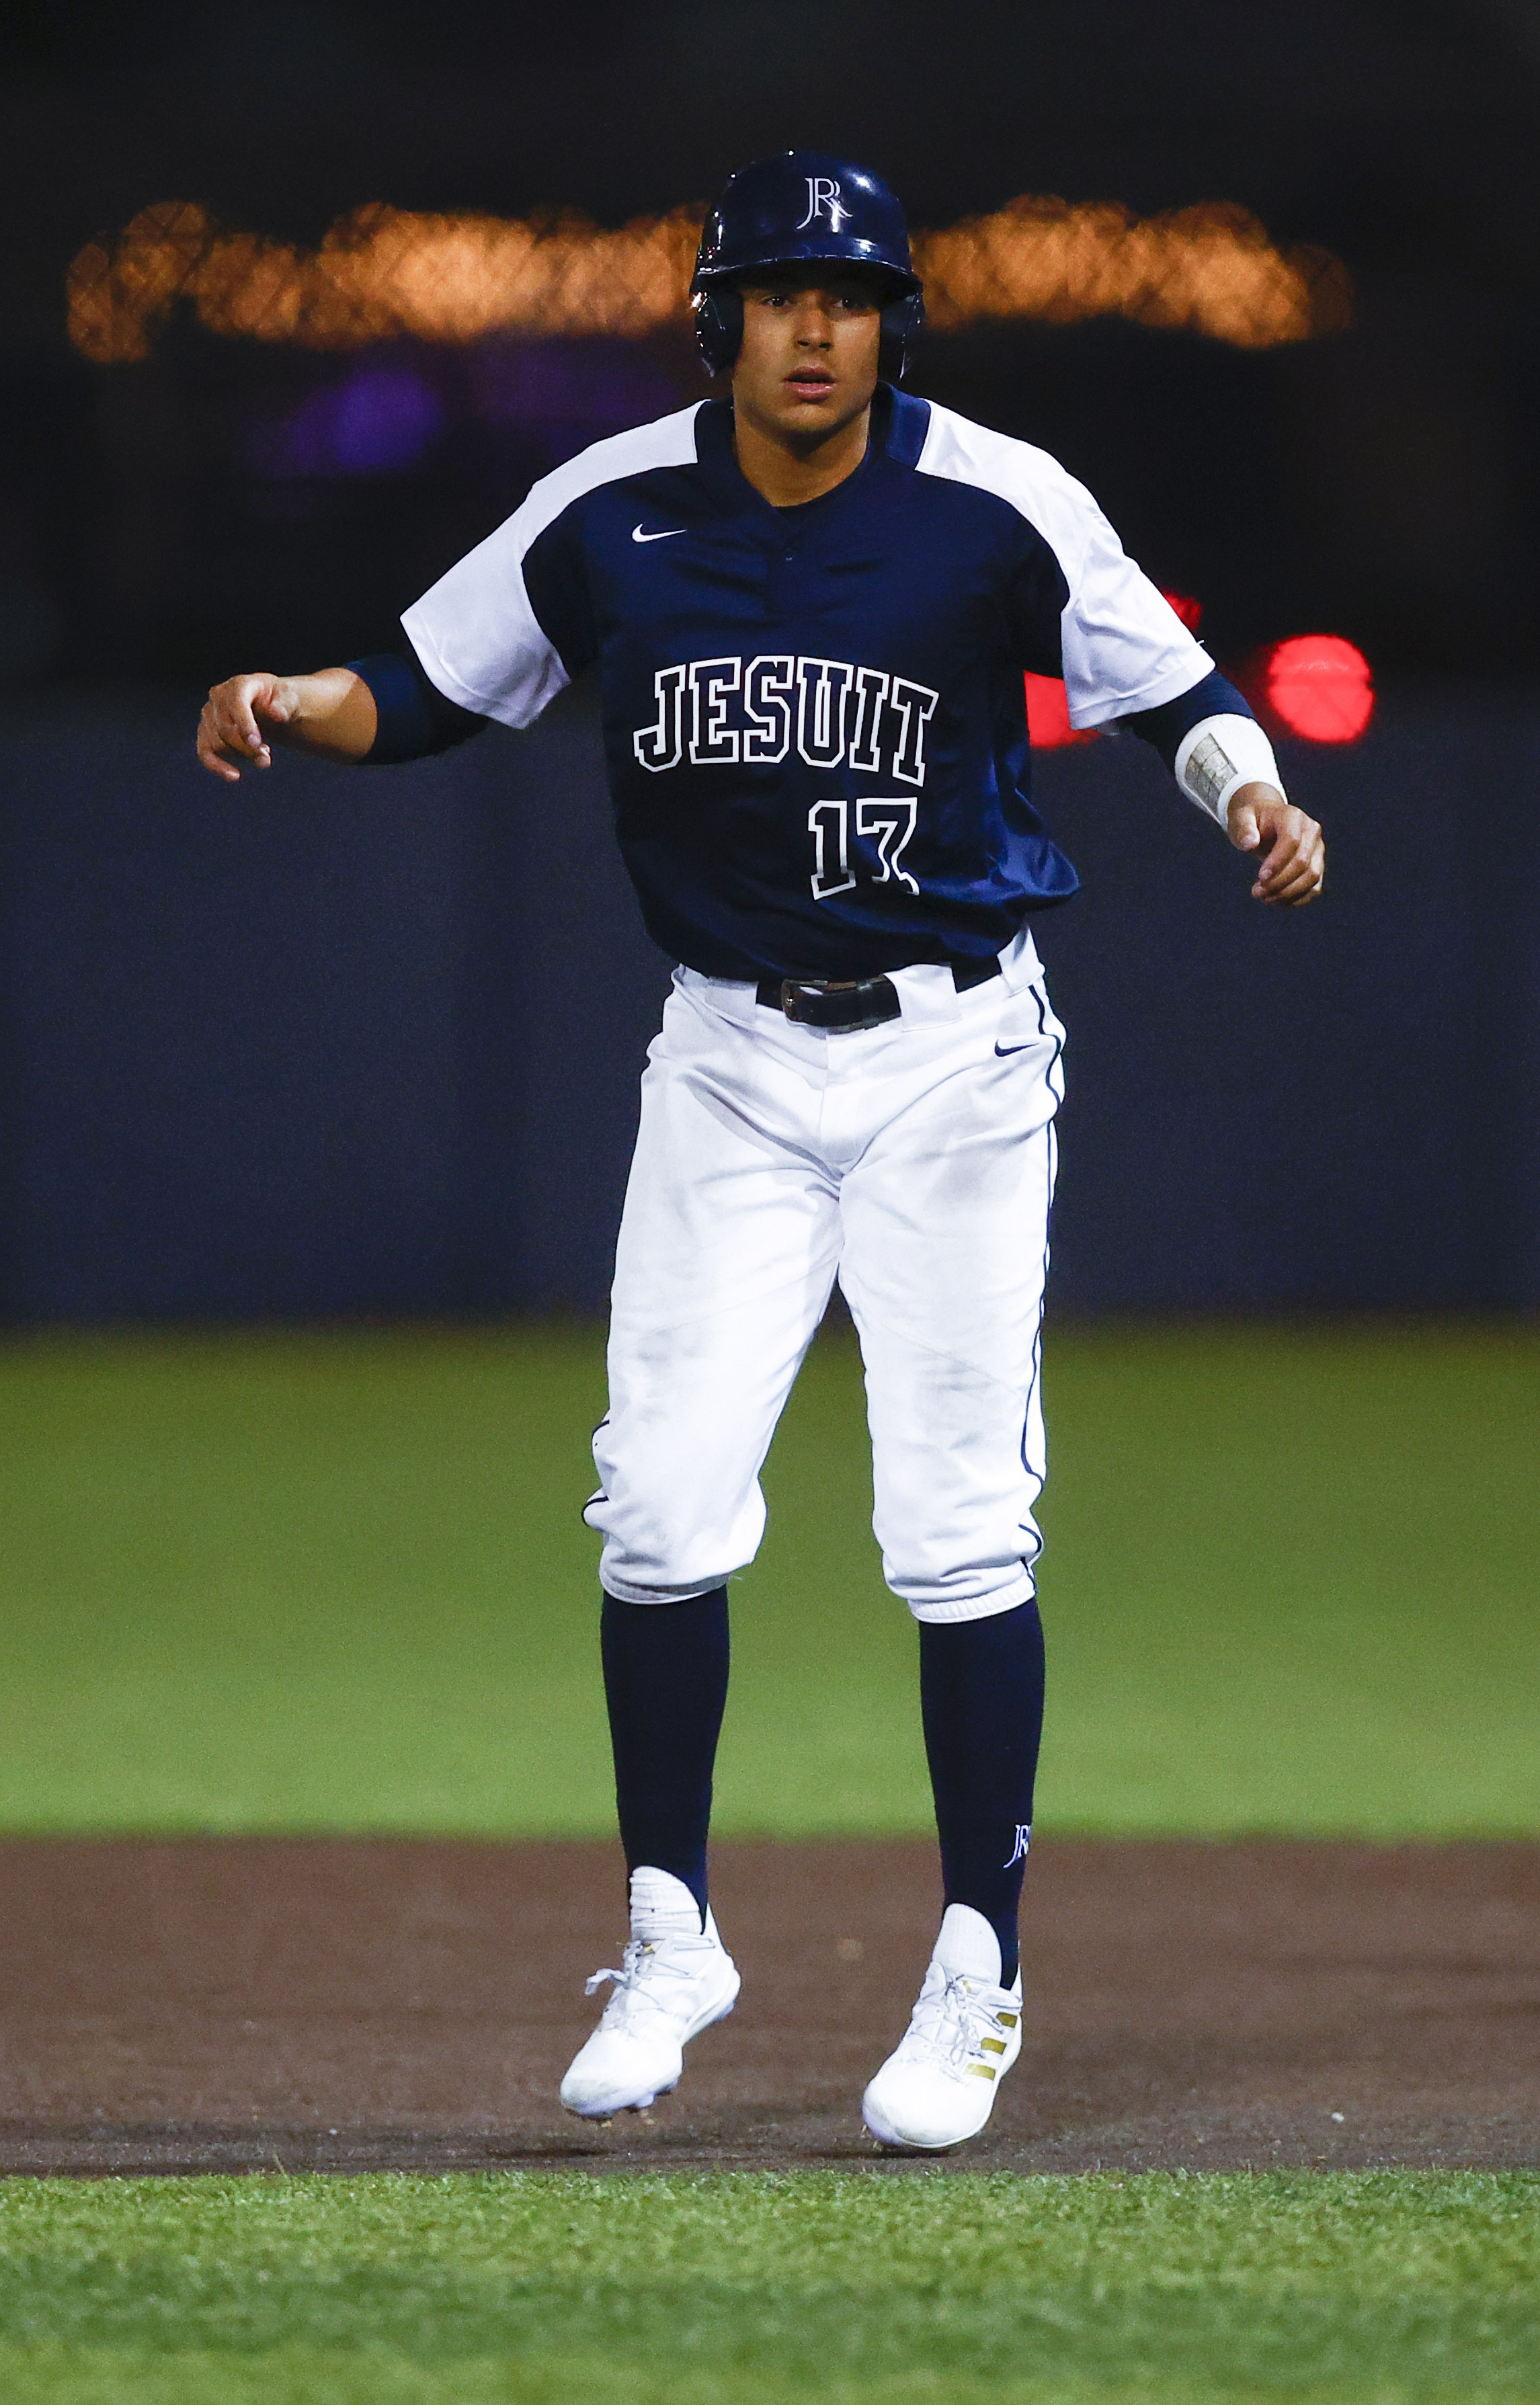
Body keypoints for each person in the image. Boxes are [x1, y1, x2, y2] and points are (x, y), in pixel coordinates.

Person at [197, 151, 1324, 2152]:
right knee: (655, 1505)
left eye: (853, 293)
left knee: (954, 1528)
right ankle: (669, 1928)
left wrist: (1248, 795)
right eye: (782, 292)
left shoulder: (995, 493)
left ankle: (978, 1962)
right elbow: (433, 686)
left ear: (899, 320)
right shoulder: (615, 508)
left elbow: (1177, 689)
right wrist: (297, 695)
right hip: (722, 1060)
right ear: (717, 316)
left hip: (948, 1057)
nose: (819, 327)